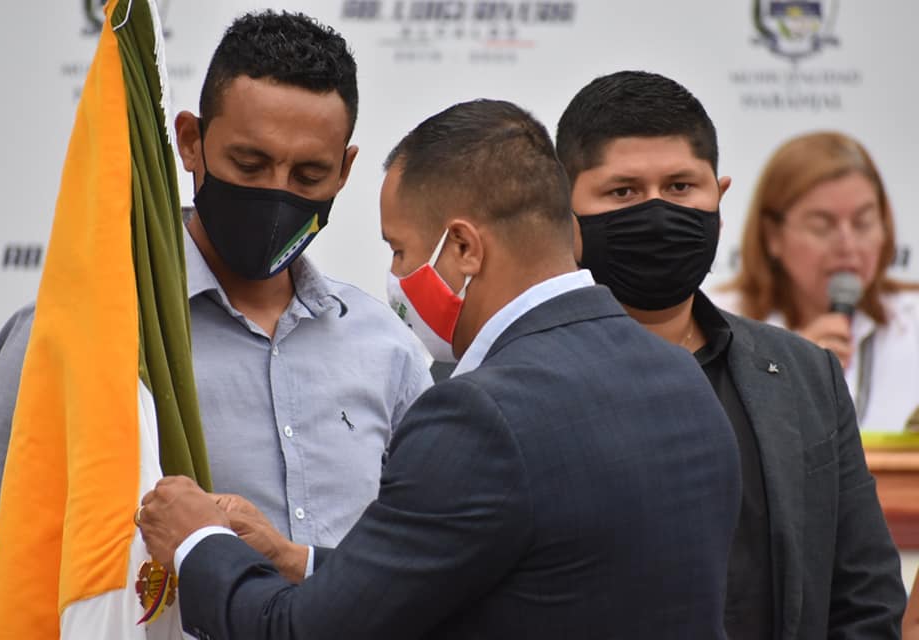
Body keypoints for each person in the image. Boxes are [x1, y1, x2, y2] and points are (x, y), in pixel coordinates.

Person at [136, 98, 742, 639]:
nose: (396, 278)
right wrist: (297, 560)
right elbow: (511, 578)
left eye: (399, 249)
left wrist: (199, 542)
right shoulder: (680, 377)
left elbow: (300, 631)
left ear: (463, 248)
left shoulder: (478, 417)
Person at [0, 10, 430, 637]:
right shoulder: (89, 337)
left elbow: (427, 578)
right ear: (189, 141)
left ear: (344, 170)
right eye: (249, 164)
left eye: (308, 175)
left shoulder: (389, 351)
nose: (277, 193)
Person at [556, 70, 906, 639]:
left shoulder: (805, 376)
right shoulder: (517, 384)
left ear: (718, 199)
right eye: (623, 192)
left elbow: (866, 598)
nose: (657, 214)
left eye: (680, 187)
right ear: (563, 212)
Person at [717, 131, 919, 432]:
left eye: (863, 222)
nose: (848, 245)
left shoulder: (911, 321)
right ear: (772, 235)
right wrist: (788, 372)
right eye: (822, 225)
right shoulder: (717, 324)